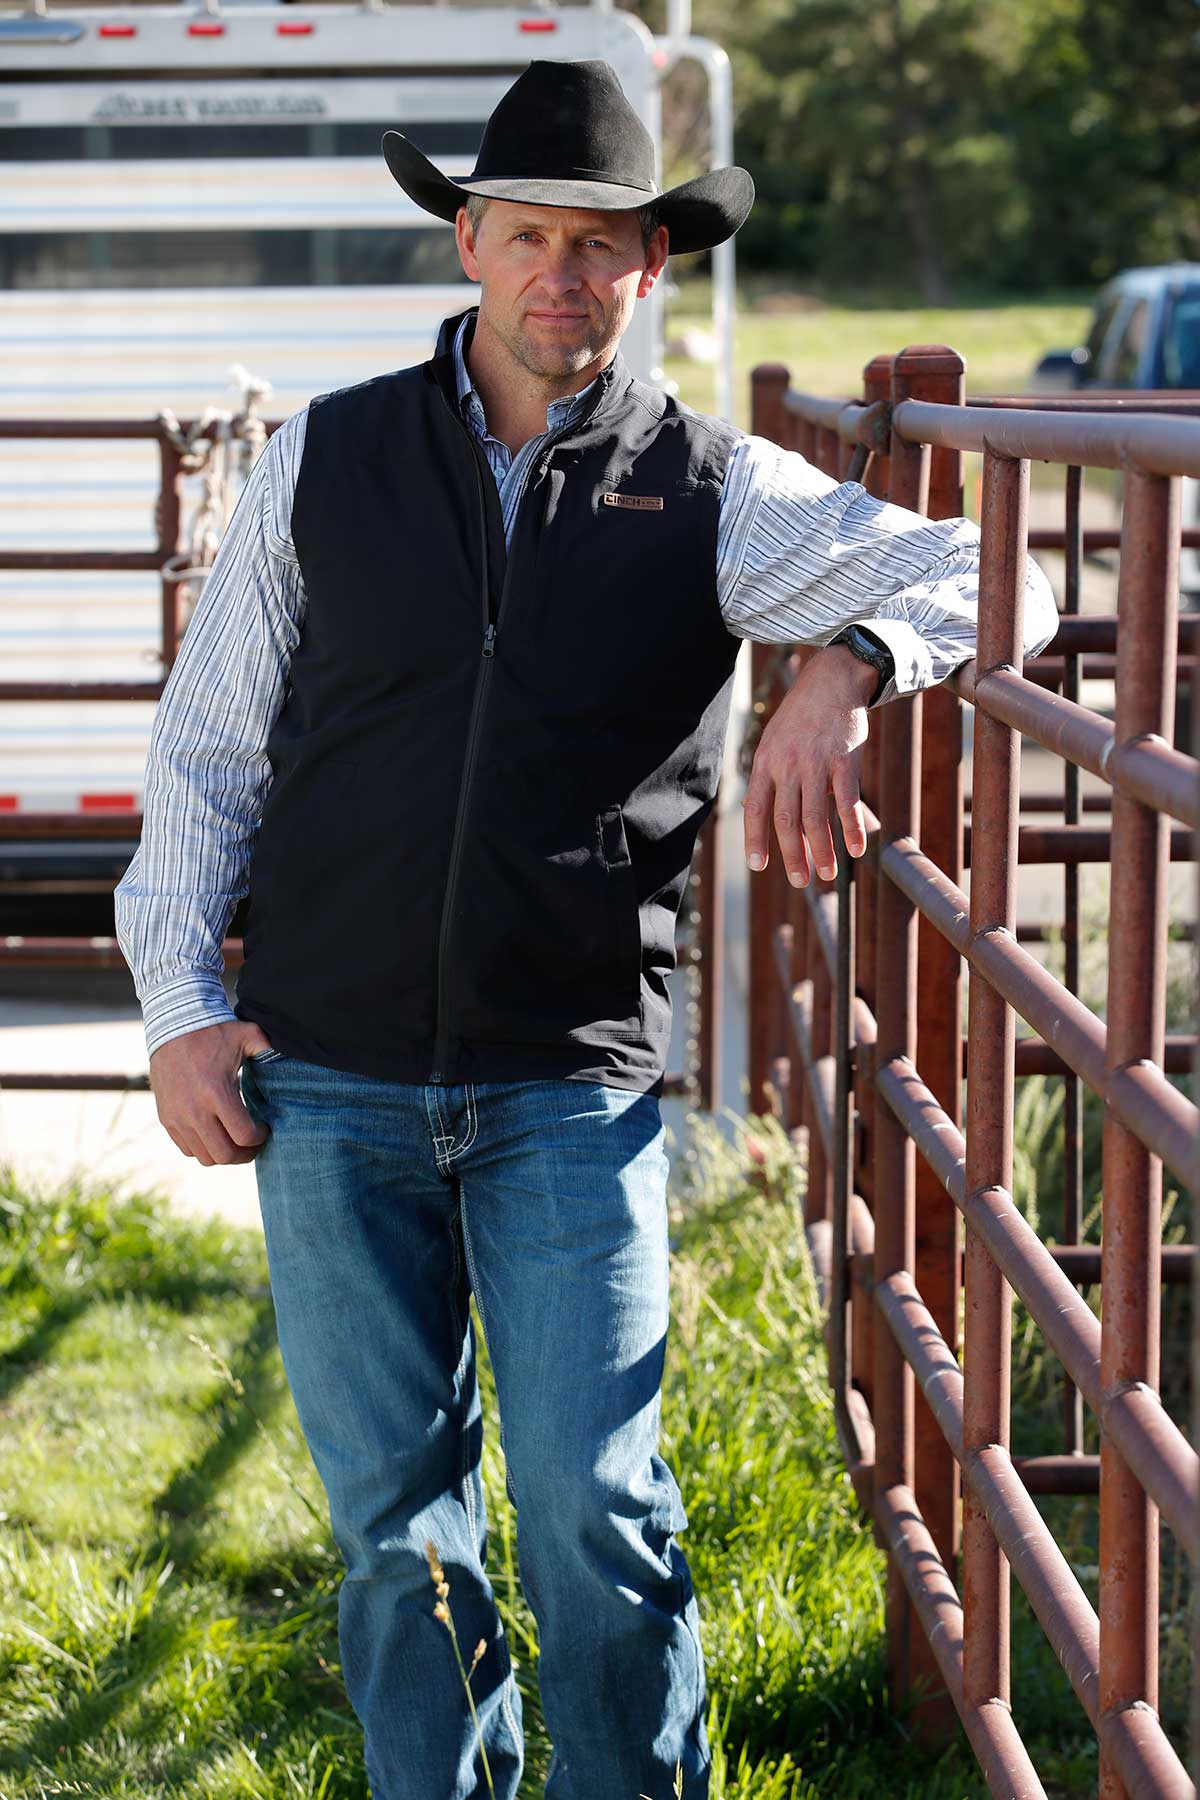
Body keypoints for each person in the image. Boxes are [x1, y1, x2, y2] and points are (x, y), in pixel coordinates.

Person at [114, 57, 1059, 1800]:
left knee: (597, 1513)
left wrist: (840, 672)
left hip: (570, 1082)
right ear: (467, 242)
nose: (564, 273)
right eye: (530, 234)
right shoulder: (328, 460)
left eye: (602, 242)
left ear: (651, 266)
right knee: (396, 1536)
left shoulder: (711, 485)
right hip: (328, 1077)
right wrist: (178, 1007)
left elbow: (1001, 575)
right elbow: (208, 752)